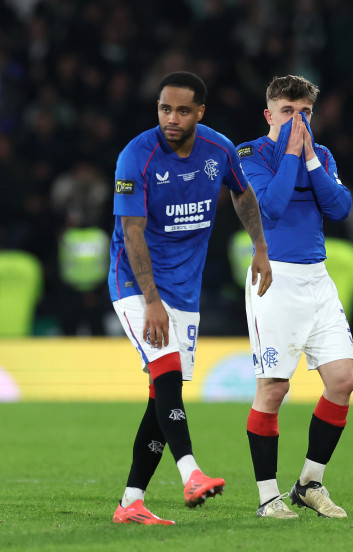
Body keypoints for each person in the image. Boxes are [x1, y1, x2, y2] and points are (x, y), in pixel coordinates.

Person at [108, 71, 272, 525]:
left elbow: (243, 193)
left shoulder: (218, 150)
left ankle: (131, 503)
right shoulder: (135, 157)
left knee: (161, 396)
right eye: (164, 109)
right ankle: (191, 473)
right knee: (167, 370)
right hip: (135, 284)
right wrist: (152, 301)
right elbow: (132, 232)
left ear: (200, 111)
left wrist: (260, 247)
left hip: (184, 290)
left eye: (182, 110)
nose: (171, 118)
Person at [236, 75, 353, 520]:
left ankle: (309, 483)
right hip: (275, 279)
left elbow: (340, 208)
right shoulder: (249, 154)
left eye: (304, 112)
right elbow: (272, 206)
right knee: (274, 388)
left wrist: (308, 160)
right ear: (269, 115)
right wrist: (291, 153)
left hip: (317, 278)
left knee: (342, 381)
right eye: (288, 112)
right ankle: (269, 497)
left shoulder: (320, 156)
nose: (297, 120)